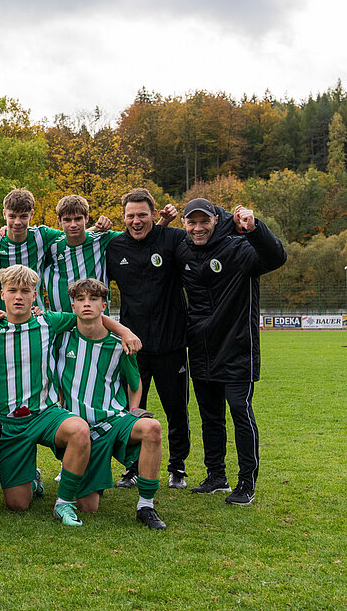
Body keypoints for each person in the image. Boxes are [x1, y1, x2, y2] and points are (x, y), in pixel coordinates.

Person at [0, 264, 141, 526]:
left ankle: (63, 504)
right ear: (2, 295)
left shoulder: (48, 321)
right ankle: (33, 480)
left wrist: (125, 331)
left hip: (46, 413)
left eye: (26, 291)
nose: (19, 296)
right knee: (18, 504)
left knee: (79, 429)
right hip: (9, 422)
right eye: (12, 290)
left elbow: (89, 316)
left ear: (35, 296)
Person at [105, 190, 233, 490]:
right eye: (130, 216)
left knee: (177, 409)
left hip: (172, 344)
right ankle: (133, 467)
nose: (136, 221)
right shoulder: (114, 246)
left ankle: (177, 467)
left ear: (153, 214)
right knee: (130, 411)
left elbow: (205, 236)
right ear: (124, 217)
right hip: (132, 347)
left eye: (142, 215)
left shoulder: (173, 239)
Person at [177, 199, 286, 505]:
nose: (198, 228)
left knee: (240, 411)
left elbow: (276, 257)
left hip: (238, 345)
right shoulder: (183, 249)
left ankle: (246, 482)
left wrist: (255, 228)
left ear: (216, 219)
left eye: (204, 221)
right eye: (191, 222)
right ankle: (216, 476)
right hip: (201, 347)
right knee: (210, 416)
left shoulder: (239, 246)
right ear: (184, 224)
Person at [52, 279, 167, 529]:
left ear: (103, 305)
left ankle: (146, 505)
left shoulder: (119, 346)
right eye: (81, 299)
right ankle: (92, 475)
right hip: (79, 430)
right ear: (72, 306)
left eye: (93, 299)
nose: (86, 304)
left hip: (113, 421)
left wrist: (133, 411)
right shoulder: (60, 341)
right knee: (88, 507)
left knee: (152, 428)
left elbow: (135, 384)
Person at [0, 188, 64, 309]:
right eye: (12, 216)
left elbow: (74, 234)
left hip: (35, 315)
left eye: (23, 216)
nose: (17, 222)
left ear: (32, 215)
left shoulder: (42, 235)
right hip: (1, 317)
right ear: (4, 214)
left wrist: (97, 227)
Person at [40, 195, 119, 312]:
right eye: (67, 220)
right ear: (59, 220)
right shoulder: (51, 247)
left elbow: (134, 235)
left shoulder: (102, 239)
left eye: (78, 219)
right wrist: (5, 229)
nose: (73, 224)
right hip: (62, 325)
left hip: (98, 324)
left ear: (86, 218)